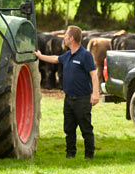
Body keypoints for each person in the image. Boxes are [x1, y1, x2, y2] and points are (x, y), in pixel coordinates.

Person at [34, 25, 100, 159]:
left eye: (66, 36)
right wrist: (40, 56)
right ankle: (70, 155)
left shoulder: (85, 55)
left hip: (82, 99)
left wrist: (95, 93)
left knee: (86, 129)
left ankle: (89, 156)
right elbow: (55, 59)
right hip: (68, 99)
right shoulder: (68, 55)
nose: (64, 38)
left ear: (72, 38)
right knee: (69, 129)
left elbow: (94, 75)